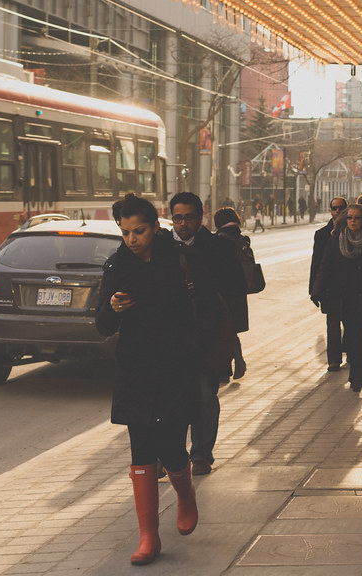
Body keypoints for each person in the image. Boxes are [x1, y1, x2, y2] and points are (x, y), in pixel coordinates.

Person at [95, 194, 201, 566]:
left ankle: (186, 497)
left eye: (138, 230)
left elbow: (201, 311)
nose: (131, 239)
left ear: (156, 226)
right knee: (141, 450)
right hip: (136, 369)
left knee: (171, 445)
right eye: (124, 232)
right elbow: (101, 325)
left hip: (176, 367)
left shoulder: (179, 258)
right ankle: (148, 537)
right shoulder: (117, 266)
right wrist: (112, 308)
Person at [170, 192, 247, 476]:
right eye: (178, 218)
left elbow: (236, 289)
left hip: (208, 336)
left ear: (201, 216)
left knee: (205, 396)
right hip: (173, 339)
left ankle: (201, 454)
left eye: (189, 217)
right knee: (174, 399)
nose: (183, 224)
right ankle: (173, 455)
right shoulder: (162, 249)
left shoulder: (217, 248)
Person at [311, 204, 362, 392]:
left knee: (360, 336)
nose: (353, 221)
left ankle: (358, 376)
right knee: (351, 334)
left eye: (357, 218)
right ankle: (355, 370)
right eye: (350, 218)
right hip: (343, 296)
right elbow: (325, 266)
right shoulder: (335, 241)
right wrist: (317, 290)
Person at [310, 197, 349, 371]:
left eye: (341, 208)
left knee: (350, 323)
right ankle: (334, 360)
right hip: (330, 287)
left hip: (350, 286)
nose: (337, 211)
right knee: (332, 324)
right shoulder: (321, 235)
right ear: (330, 210)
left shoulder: (354, 231)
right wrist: (314, 289)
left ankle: (349, 348)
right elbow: (317, 263)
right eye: (334, 208)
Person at [213, 208, 251, 382]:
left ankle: (228, 368)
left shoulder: (219, 240)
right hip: (239, 291)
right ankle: (236, 362)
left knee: (222, 330)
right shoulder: (241, 238)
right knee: (231, 328)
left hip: (223, 291)